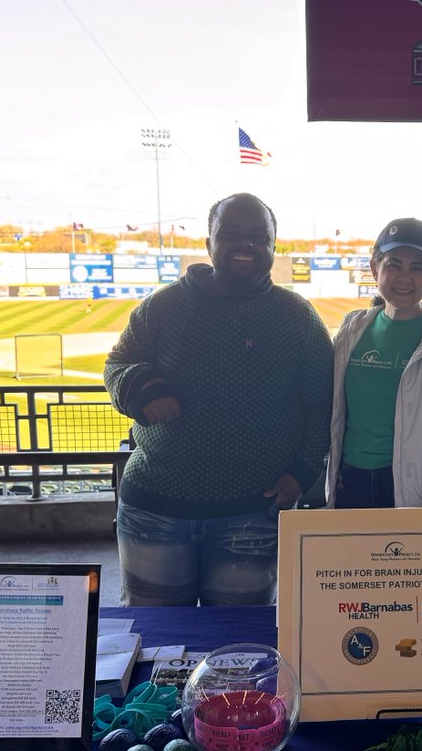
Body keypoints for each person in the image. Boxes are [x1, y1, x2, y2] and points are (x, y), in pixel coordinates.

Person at [104, 192, 333, 606]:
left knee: (235, 657)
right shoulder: (162, 307)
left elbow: (322, 405)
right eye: (229, 234)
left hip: (252, 516)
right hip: (153, 512)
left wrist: (302, 472)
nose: (244, 244)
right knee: (156, 648)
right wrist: (141, 388)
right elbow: (118, 363)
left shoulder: (298, 316)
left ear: (273, 247)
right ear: (208, 243)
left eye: (257, 236)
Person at [325, 218, 422, 509]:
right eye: (394, 264)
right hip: (349, 484)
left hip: (409, 491)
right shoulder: (351, 331)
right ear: (374, 268)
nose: (404, 277)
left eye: (417, 267)